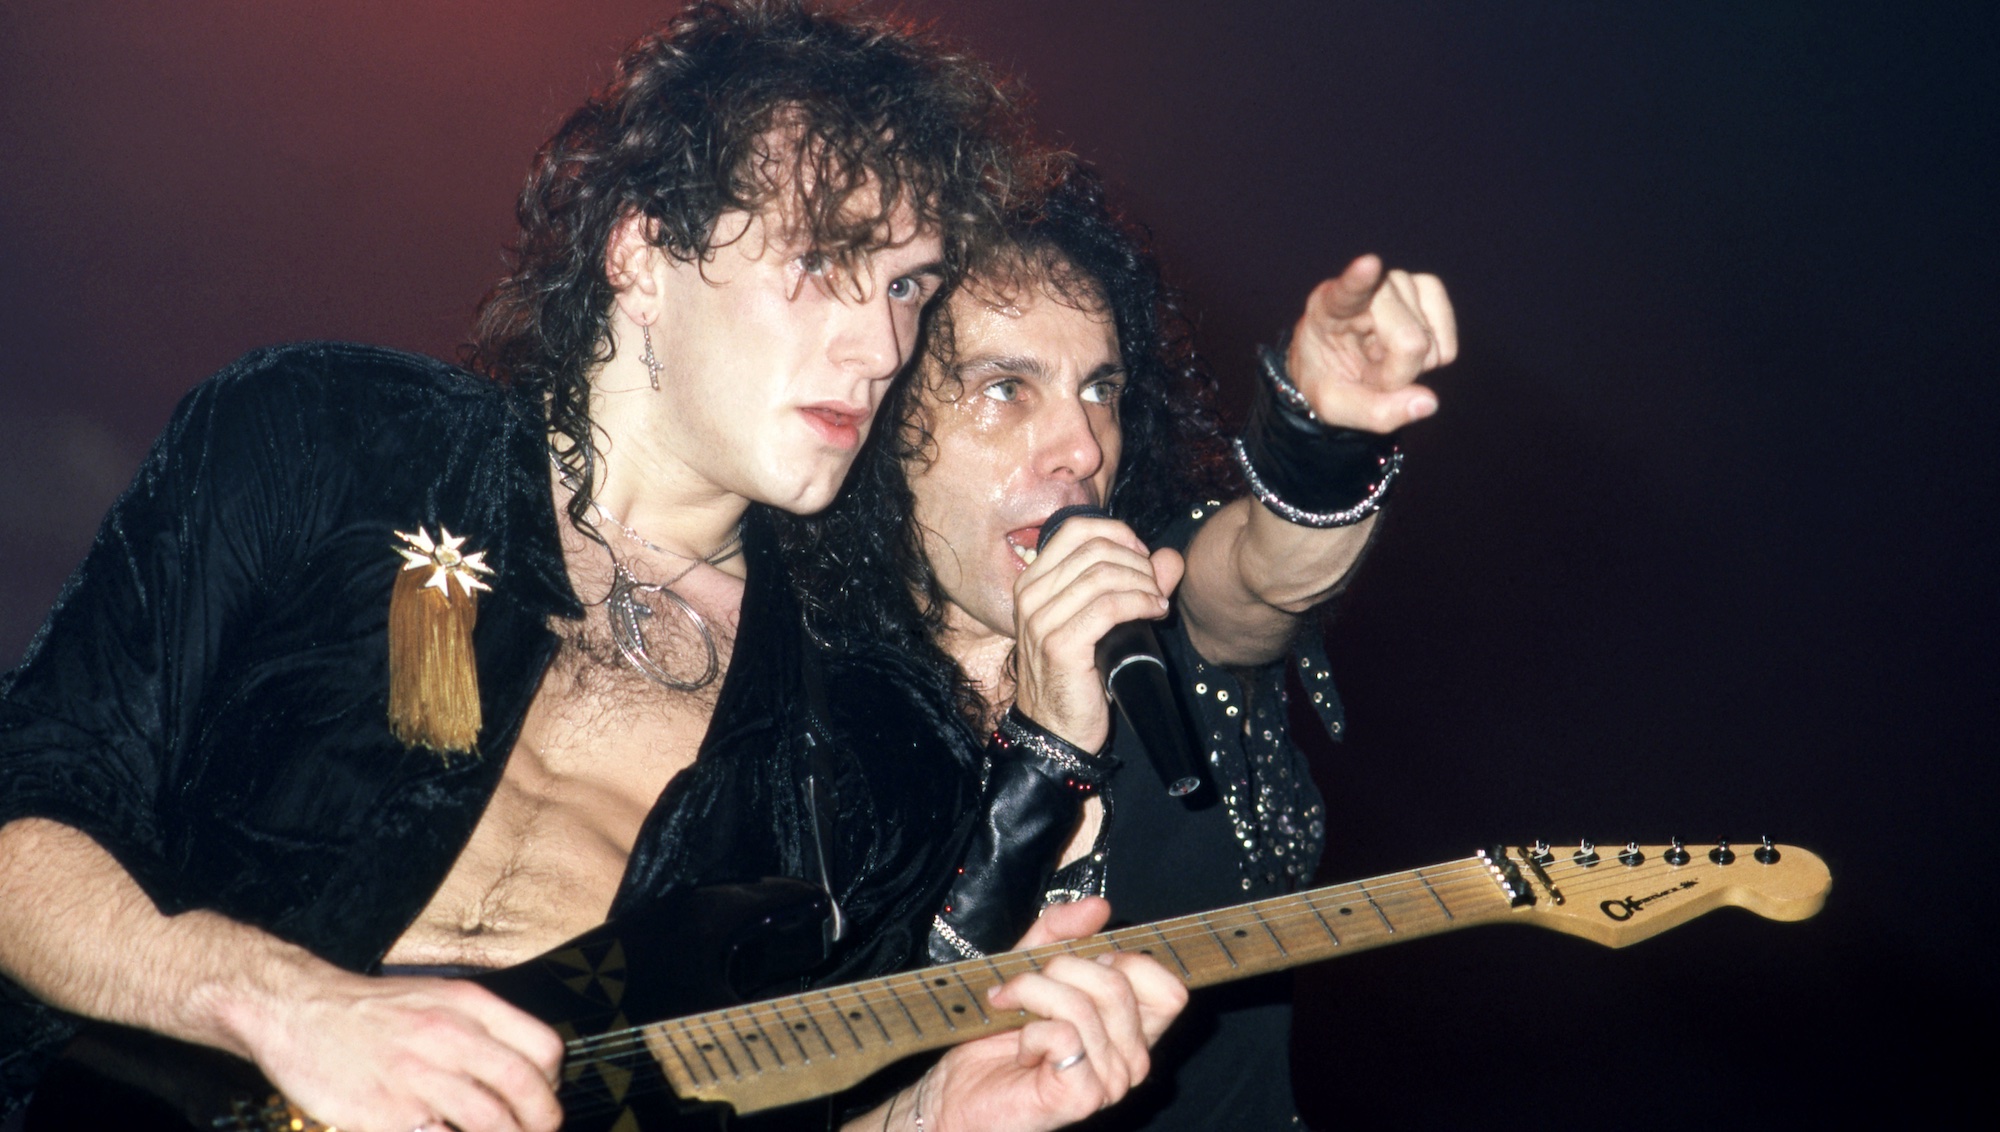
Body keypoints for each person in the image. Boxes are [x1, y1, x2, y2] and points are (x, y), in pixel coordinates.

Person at [0, 6, 1186, 1132]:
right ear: (641, 249)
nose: (877, 346)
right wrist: (276, 1002)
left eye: (906, 287)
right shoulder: (327, 440)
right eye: (825, 263)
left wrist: (929, 1113)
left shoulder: (867, 744)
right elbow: (28, 823)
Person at [780, 160, 1456, 1130]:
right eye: (1005, 388)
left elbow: (1267, 576)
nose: (1079, 446)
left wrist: (1323, 438)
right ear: (878, 421)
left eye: (1099, 388)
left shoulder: (1156, 602)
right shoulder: (788, 716)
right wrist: (1048, 729)